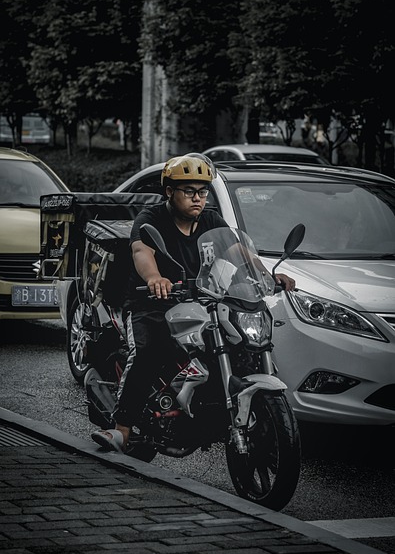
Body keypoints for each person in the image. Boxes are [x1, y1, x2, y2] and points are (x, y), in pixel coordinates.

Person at [91, 153, 295, 451]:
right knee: (148, 352)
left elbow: (239, 252)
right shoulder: (151, 218)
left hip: (203, 301)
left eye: (202, 191)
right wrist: (154, 278)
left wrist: (265, 276)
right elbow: (141, 251)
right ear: (169, 191)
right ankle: (121, 428)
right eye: (189, 191)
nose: (197, 198)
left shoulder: (211, 220)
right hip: (152, 303)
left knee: (238, 344)